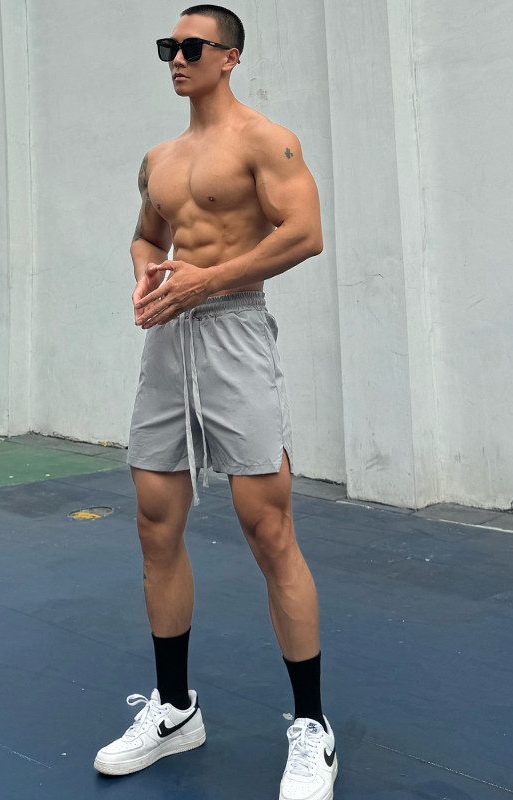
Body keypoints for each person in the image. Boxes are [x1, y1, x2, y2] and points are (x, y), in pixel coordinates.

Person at [94, 6, 336, 799]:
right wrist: (147, 269)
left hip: (234, 326)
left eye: (191, 47)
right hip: (169, 336)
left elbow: (304, 233)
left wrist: (209, 281)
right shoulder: (160, 158)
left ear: (229, 57)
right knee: (154, 521)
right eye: (169, 46)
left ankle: (312, 726)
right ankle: (174, 710)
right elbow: (147, 234)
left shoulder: (268, 141)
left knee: (268, 527)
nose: (177, 57)